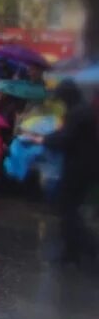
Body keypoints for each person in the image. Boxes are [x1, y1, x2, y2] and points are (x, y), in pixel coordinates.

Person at [42, 80, 98, 265]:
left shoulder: (78, 113)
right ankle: (70, 252)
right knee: (69, 209)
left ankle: (90, 247)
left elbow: (65, 139)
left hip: (78, 168)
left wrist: (45, 139)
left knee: (68, 210)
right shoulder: (81, 110)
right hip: (83, 166)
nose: (61, 102)